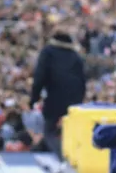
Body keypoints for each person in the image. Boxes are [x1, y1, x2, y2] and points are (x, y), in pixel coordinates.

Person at [29, 23, 86, 161]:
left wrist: (34, 98)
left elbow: (39, 77)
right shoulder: (75, 56)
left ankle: (63, 159)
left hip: (54, 99)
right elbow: (83, 80)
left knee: (49, 132)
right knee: (70, 132)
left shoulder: (48, 52)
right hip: (75, 101)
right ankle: (73, 158)